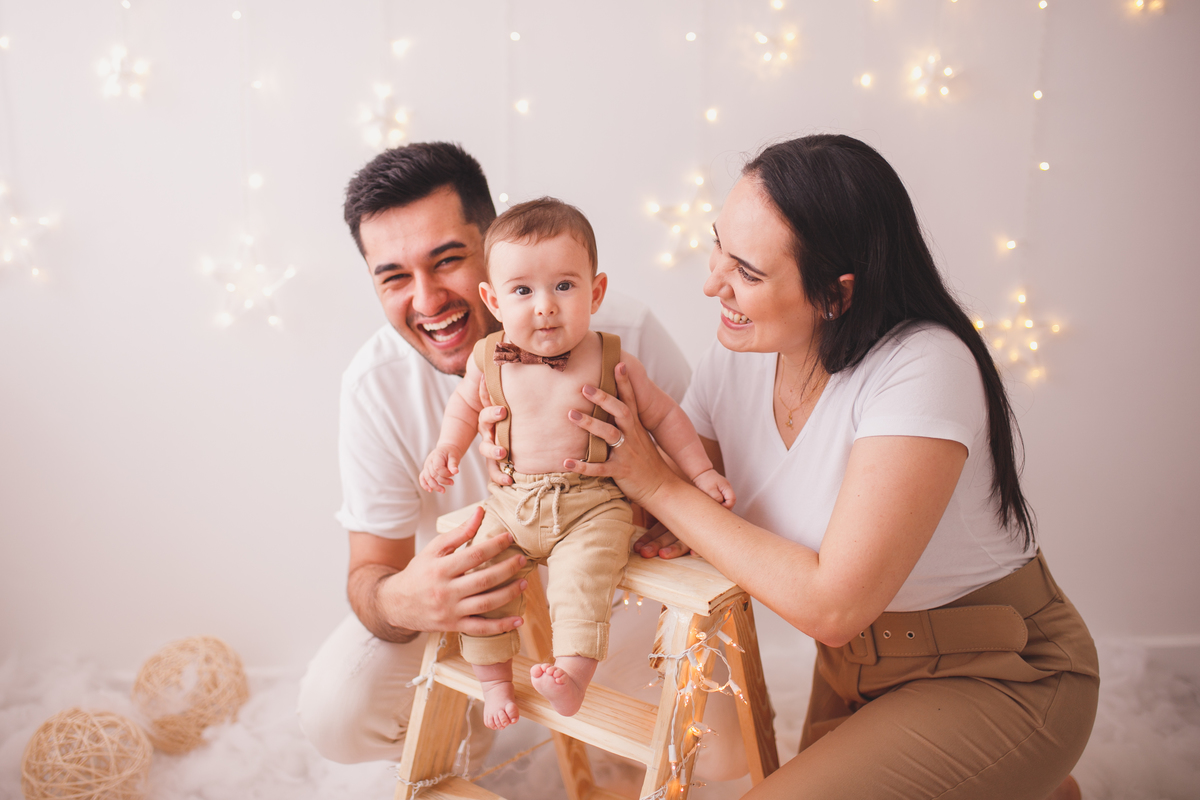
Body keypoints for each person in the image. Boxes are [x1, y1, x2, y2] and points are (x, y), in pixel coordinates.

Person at [553, 134, 1098, 800]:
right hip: (854, 674)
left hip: (999, 671)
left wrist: (660, 485)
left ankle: (1027, 767)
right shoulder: (741, 355)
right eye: (717, 244)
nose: (711, 282)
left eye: (747, 272)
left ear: (835, 295)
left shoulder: (925, 367)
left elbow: (833, 603)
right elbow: (656, 511)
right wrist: (538, 425)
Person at [296, 142, 703, 768]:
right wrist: (411, 598)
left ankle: (591, 703)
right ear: (495, 290)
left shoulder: (621, 339)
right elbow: (370, 573)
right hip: (483, 585)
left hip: (611, 581)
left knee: (712, 748)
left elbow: (706, 477)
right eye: (395, 276)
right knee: (335, 713)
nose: (428, 301)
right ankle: (472, 727)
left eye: (446, 260)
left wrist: (652, 483)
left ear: (493, 243)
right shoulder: (376, 384)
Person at [419, 197, 735, 730]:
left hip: (593, 506)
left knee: (583, 580)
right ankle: (495, 680)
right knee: (479, 569)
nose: (544, 305)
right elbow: (464, 410)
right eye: (523, 291)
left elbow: (667, 417)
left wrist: (701, 472)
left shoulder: (614, 358)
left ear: (596, 291)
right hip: (512, 502)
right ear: (493, 300)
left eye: (564, 286)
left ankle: (571, 677)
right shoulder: (486, 359)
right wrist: (446, 450)